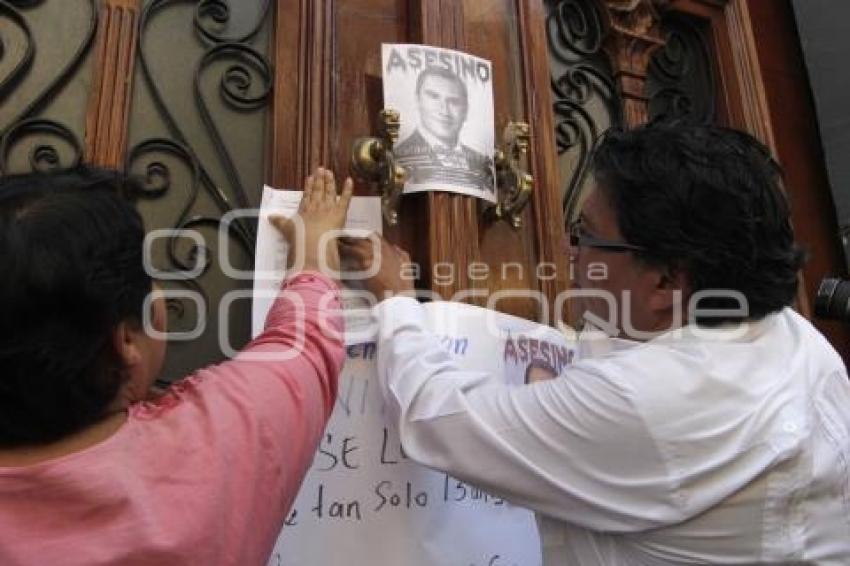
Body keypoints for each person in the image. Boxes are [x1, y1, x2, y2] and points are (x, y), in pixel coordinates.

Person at [342, 123, 850, 564]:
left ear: (667, 282)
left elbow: (438, 419)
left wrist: (395, 300)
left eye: (585, 235)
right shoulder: (794, 335)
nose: (569, 254)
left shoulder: (648, 402)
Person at [0, 166, 352, 565]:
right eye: (148, 278)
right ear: (126, 340)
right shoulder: (212, 450)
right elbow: (304, 344)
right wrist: (313, 249)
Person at [394, 66, 494, 192]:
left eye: (454, 101)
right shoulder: (398, 157)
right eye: (434, 97)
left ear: (466, 110)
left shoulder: (482, 163)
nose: (444, 110)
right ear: (417, 100)